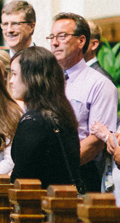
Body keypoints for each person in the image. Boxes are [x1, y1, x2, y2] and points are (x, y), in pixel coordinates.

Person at [48, 12, 118, 192]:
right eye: (52, 37)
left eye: (62, 36)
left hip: (80, 175)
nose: (54, 43)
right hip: (45, 173)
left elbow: (96, 141)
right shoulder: (47, 81)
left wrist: (59, 166)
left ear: (81, 41)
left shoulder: (99, 84)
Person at [9, 46, 82, 186]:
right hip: (62, 200)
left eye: (14, 74)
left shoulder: (33, 122)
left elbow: (22, 177)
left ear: (31, 78)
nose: (11, 81)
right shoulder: (62, 112)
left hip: (39, 202)